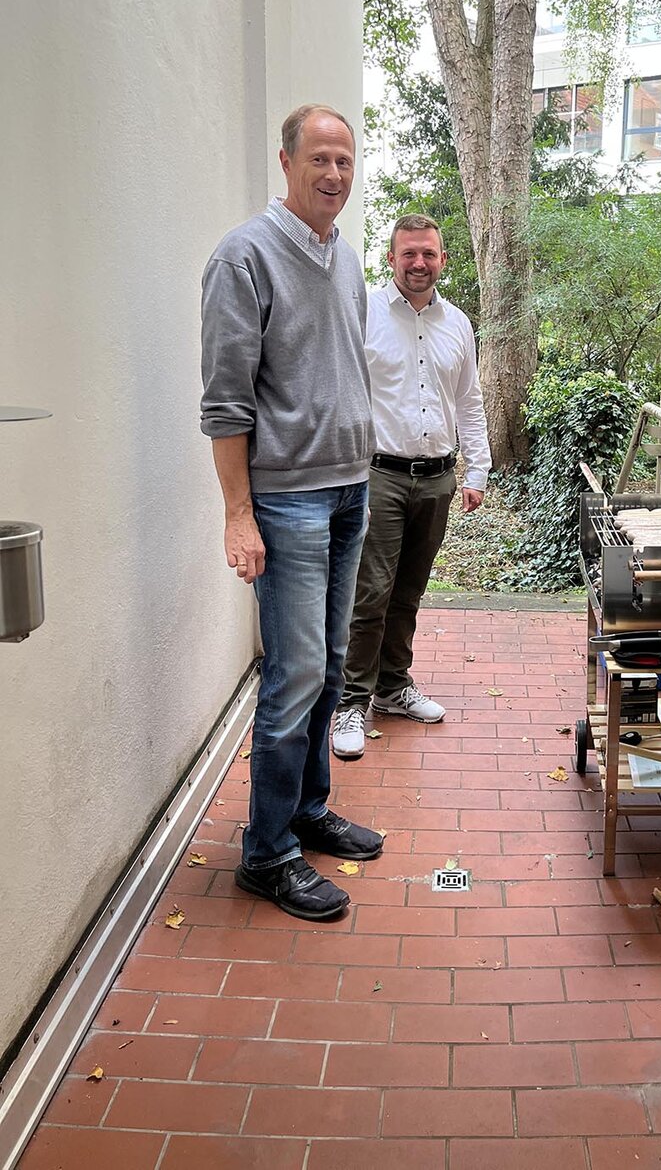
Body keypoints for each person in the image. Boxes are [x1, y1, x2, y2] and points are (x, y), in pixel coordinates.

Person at [200, 103, 384, 922]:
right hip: (287, 501)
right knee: (294, 674)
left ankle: (308, 811)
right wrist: (238, 515)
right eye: (319, 158)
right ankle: (267, 854)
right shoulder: (244, 256)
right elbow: (224, 404)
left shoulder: (344, 257)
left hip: (350, 490)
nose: (334, 174)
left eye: (344, 160)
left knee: (331, 665)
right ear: (286, 162)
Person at [331, 213, 490, 759]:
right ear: (392, 259)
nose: (418, 263)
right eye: (408, 254)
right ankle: (351, 700)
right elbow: (342, 388)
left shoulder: (458, 324)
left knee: (409, 591)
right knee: (370, 592)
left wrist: (476, 470)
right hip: (379, 475)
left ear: (442, 259)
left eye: (428, 253)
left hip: (437, 477)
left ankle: (393, 686)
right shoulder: (365, 312)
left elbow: (469, 400)